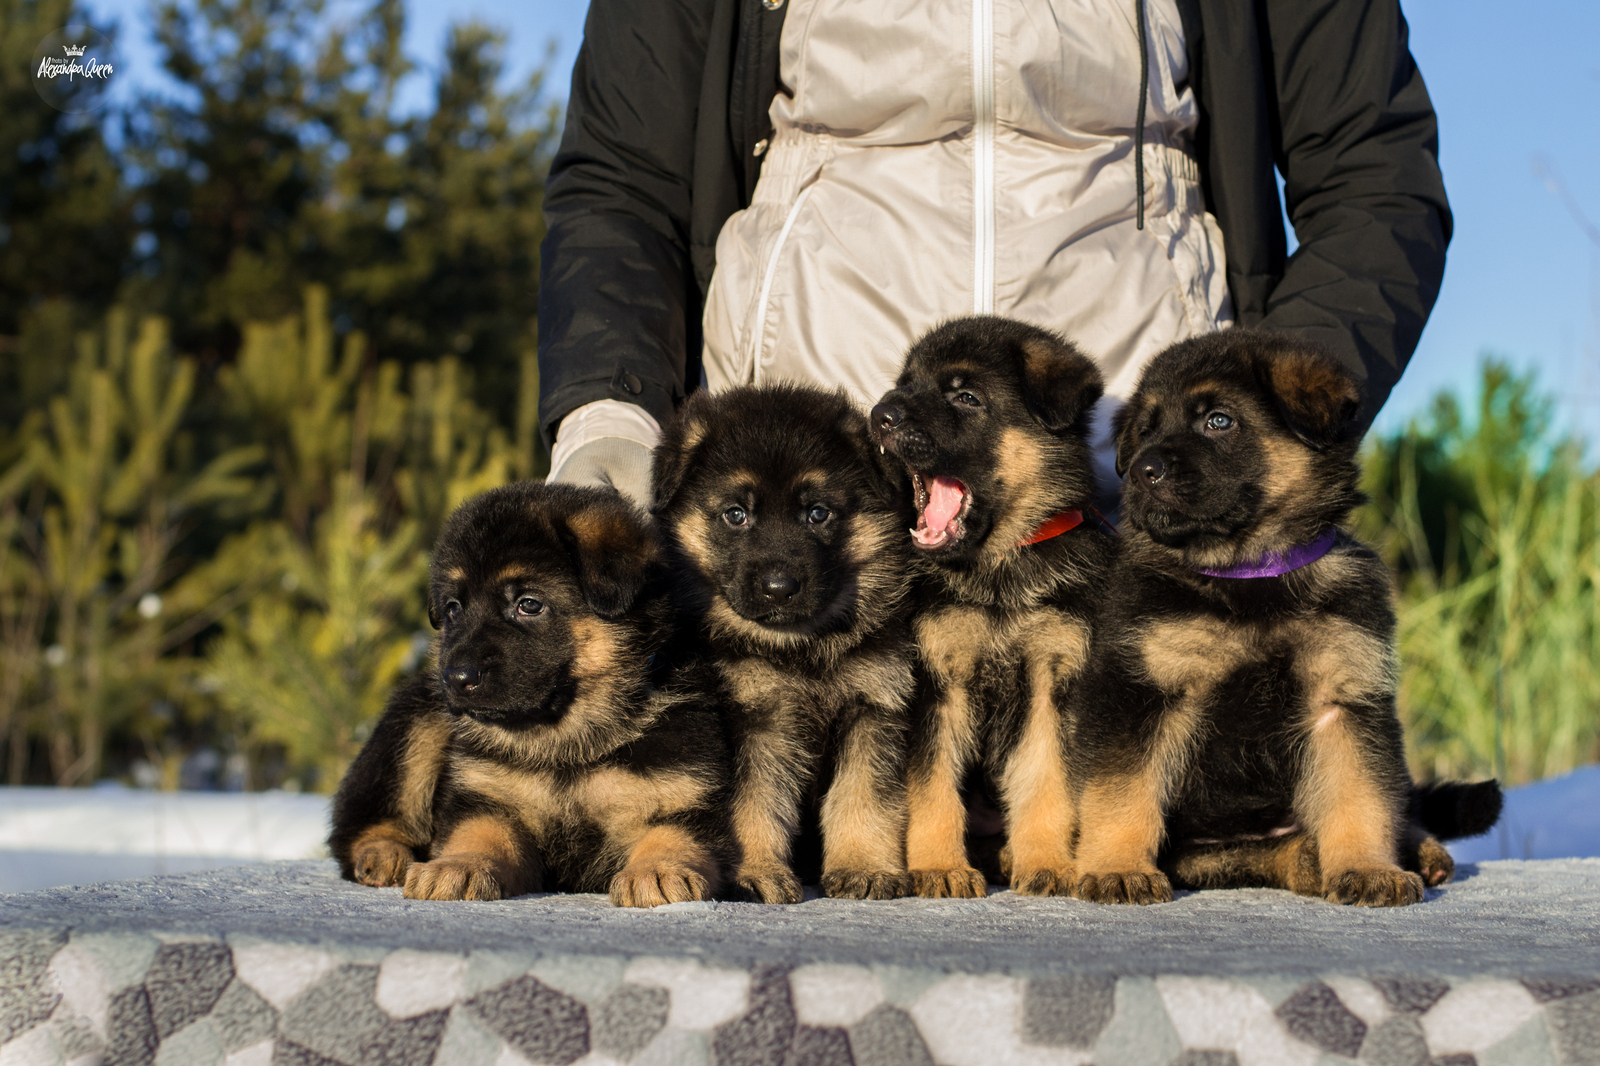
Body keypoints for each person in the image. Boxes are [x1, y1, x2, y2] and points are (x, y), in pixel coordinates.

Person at [537, 0, 1450, 509]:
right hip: (801, 547)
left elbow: (1377, 177)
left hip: (1132, 544)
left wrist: (1273, 421)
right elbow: (623, 184)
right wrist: (606, 418)